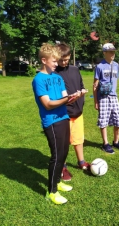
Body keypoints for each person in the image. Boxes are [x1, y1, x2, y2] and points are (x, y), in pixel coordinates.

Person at [32, 43, 78, 205]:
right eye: (54, 61)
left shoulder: (58, 77)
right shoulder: (38, 79)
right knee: (57, 156)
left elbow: (65, 97)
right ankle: (51, 192)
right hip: (51, 121)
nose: (56, 64)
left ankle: (57, 181)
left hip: (63, 117)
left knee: (64, 153)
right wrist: (67, 99)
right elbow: (48, 104)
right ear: (44, 60)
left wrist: (74, 97)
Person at [55, 43, 90, 182]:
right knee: (63, 142)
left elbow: (81, 85)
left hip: (78, 111)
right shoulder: (54, 74)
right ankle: (62, 166)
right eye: (61, 60)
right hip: (63, 113)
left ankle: (81, 161)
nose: (64, 62)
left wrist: (82, 93)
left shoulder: (75, 70)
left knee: (78, 138)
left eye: (67, 59)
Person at [93, 43, 119, 154]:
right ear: (104, 53)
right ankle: (105, 144)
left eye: (114, 52)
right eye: (110, 52)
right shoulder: (99, 67)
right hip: (103, 97)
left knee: (118, 120)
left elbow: (115, 80)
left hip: (114, 96)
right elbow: (95, 85)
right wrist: (96, 101)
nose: (113, 54)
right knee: (103, 121)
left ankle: (116, 142)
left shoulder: (116, 65)